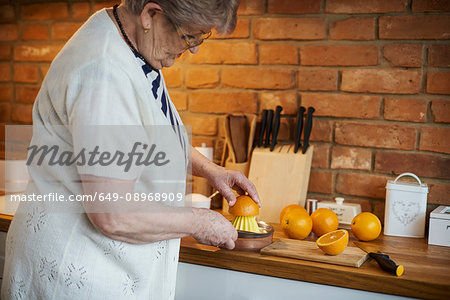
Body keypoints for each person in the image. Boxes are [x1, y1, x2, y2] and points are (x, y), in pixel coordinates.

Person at [1, 0, 261, 299]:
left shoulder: (130, 41)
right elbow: (113, 213)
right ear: (151, 14)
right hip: (77, 274)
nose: (194, 49)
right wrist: (197, 221)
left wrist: (209, 170)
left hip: (104, 266)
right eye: (189, 36)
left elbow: (145, 134)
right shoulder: (104, 74)